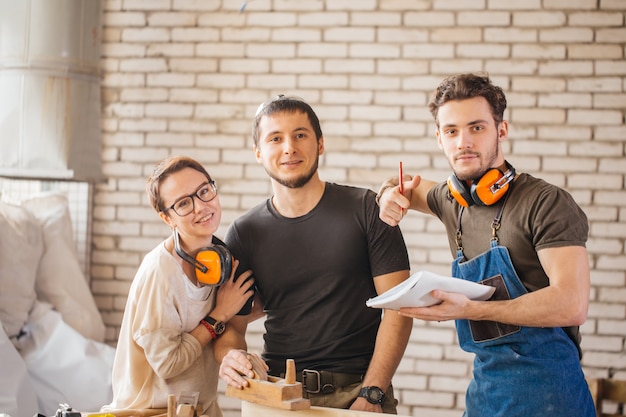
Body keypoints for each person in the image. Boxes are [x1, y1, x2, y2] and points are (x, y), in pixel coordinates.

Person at [376, 73, 595, 417]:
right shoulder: (453, 201)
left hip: (551, 397)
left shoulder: (546, 202)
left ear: (501, 130)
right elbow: (401, 185)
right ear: (439, 138)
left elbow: (571, 304)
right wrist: (387, 193)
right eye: (451, 131)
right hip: (486, 395)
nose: (463, 142)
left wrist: (469, 309)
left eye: (476, 128)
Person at [214, 95, 413, 414]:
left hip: (357, 393)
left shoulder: (368, 210)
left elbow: (399, 310)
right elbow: (232, 328)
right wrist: (231, 357)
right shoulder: (244, 232)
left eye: (300, 135)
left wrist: (372, 392)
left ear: (320, 144)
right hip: (276, 394)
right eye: (275, 138)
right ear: (258, 153)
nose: (289, 147)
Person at [103, 156, 255, 417]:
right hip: (153, 412)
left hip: (200, 409)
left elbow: (239, 310)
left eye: (204, 191)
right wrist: (220, 314)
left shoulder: (219, 260)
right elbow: (169, 363)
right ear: (167, 218)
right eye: (184, 203)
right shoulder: (159, 273)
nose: (201, 206)